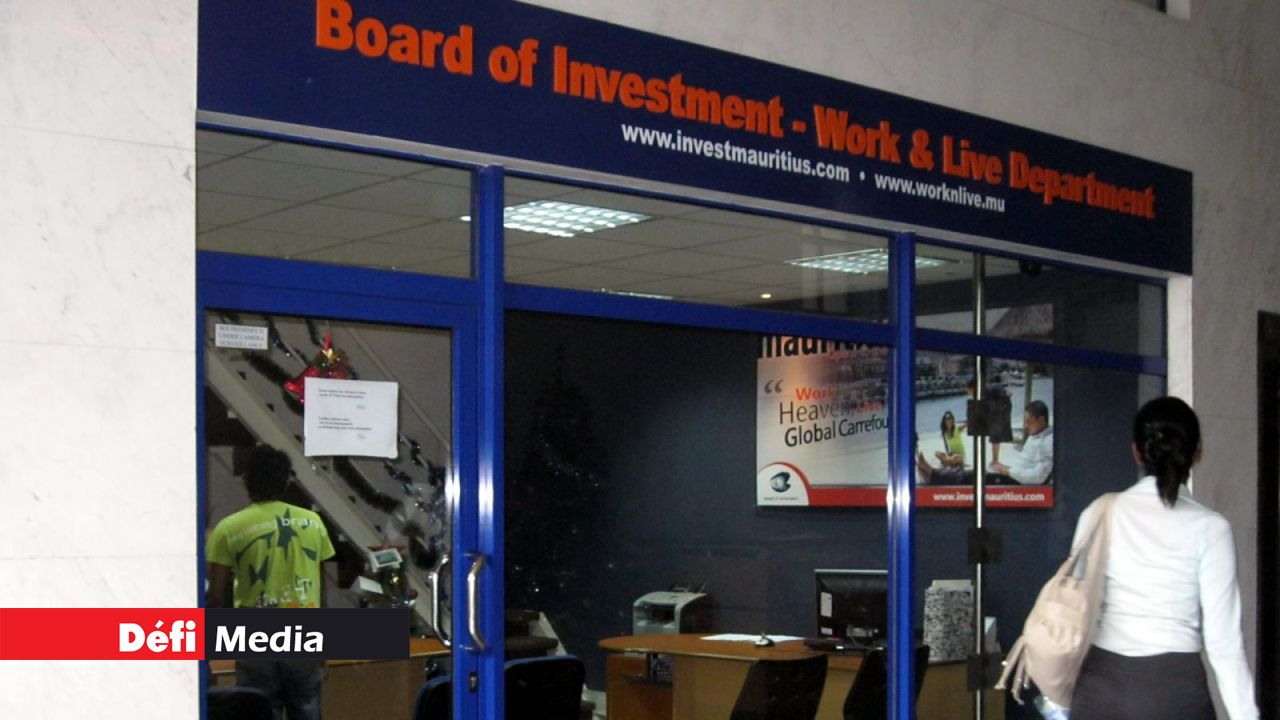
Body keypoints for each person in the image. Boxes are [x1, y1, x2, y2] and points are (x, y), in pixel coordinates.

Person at [1069, 397, 1258, 720]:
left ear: (1136, 452)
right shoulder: (1210, 528)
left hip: (1099, 688)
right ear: (1197, 452)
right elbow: (1224, 644)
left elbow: (1076, 603)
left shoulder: (1098, 512)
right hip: (1174, 692)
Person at [207, 445, 336, 720]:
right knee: (307, 710)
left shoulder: (228, 529)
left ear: (247, 481)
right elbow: (320, 588)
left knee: (259, 712)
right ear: (286, 481)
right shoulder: (313, 523)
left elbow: (215, 597)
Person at [987, 400, 1053, 484]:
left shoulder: (1047, 442)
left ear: (1041, 420)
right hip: (1015, 478)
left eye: (1029, 422)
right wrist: (1004, 468)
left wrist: (1008, 471)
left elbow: (1038, 477)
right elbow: (1025, 465)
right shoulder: (1035, 435)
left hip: (1021, 486)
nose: (1025, 426)